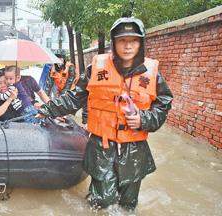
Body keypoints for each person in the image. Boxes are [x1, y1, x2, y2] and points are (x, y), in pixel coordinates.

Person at [37, 17, 173, 210]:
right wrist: (47, 110)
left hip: (134, 148)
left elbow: (164, 103)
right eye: (122, 40)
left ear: (140, 43)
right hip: (102, 145)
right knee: (101, 201)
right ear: (114, 42)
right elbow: (75, 97)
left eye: (133, 40)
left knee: (128, 204)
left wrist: (144, 119)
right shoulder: (96, 68)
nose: (127, 46)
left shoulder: (152, 73)